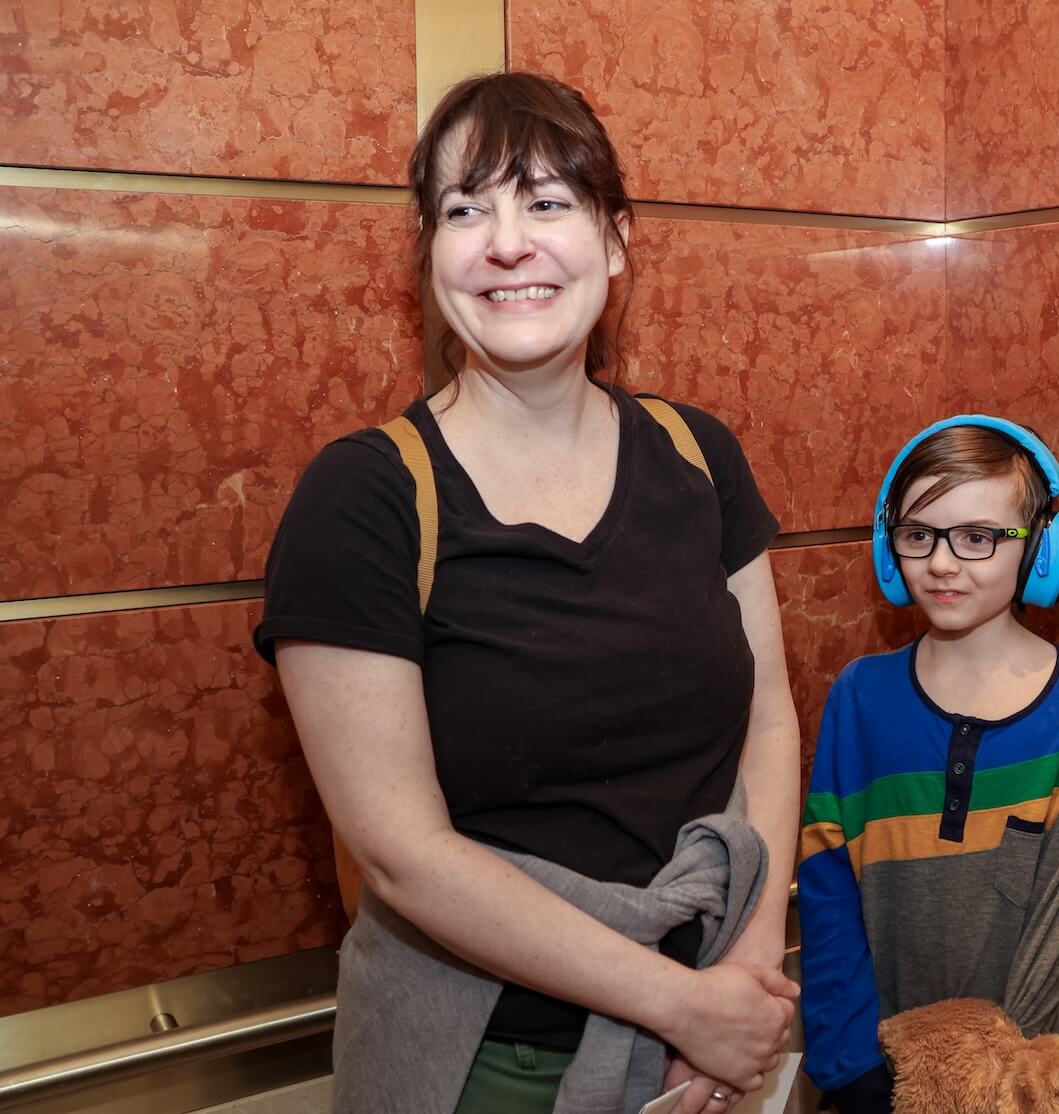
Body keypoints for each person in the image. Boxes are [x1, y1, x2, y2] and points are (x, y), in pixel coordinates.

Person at [254, 72, 799, 1114]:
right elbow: (402, 856)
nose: (506, 242)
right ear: (428, 253)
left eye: (547, 201)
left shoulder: (700, 456)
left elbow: (769, 722)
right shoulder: (363, 498)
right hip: (485, 1058)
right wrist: (678, 1004)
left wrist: (744, 973)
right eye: (465, 208)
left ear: (617, 239)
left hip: (719, 1024)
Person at [796, 417, 1059, 1112]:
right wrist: (850, 1065)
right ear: (890, 548)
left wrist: (1005, 1075)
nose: (942, 563)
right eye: (919, 535)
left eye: (978, 537)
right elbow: (827, 887)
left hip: (1025, 1077)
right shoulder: (860, 694)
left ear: (1042, 551)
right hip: (875, 1069)